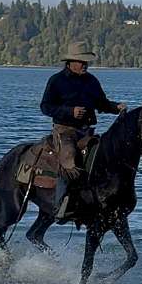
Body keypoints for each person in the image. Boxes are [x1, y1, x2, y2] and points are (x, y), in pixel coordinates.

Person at [40, 40, 127, 217]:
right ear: (70, 62)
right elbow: (45, 106)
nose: (85, 65)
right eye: (81, 62)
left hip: (87, 132)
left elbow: (101, 103)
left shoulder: (91, 81)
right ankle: (59, 206)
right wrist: (69, 111)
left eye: (86, 62)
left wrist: (115, 107)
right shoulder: (56, 81)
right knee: (69, 161)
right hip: (64, 131)